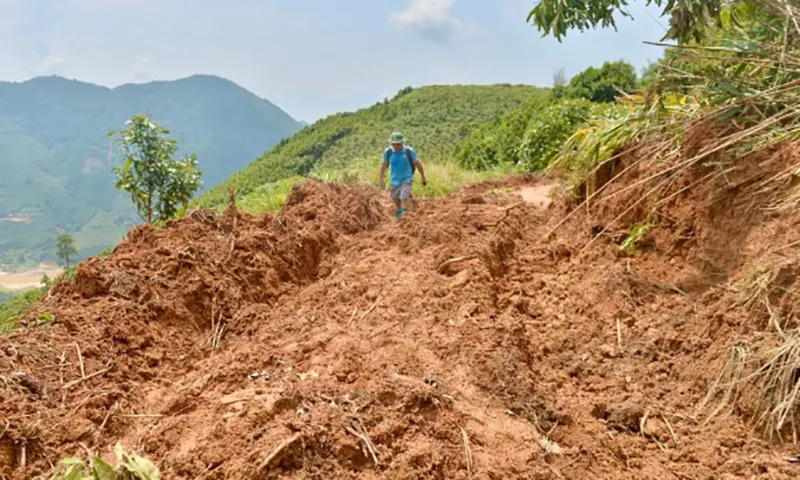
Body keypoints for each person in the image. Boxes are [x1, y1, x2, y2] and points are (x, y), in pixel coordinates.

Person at [379, 131, 427, 219]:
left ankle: (404, 219)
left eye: (398, 144)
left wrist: (423, 176)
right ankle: (402, 213)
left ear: (402, 143)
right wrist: (381, 177)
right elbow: (384, 164)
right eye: (394, 144)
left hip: (407, 179)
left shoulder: (409, 151)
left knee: (403, 197)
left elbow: (417, 164)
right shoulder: (388, 152)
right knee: (396, 201)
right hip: (394, 182)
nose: (396, 146)